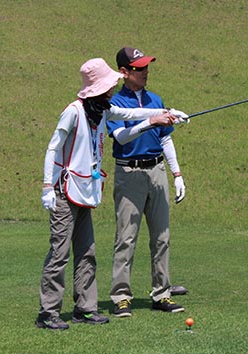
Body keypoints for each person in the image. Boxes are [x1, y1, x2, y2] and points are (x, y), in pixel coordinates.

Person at [36, 58, 186, 330]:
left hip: (84, 192)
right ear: (96, 89)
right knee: (59, 254)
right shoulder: (73, 111)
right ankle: (48, 312)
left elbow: (130, 115)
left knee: (87, 253)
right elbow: (52, 148)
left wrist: (167, 112)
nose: (110, 91)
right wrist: (47, 186)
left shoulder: (101, 111)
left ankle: (85, 308)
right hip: (62, 191)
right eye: (107, 87)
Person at [106, 47, 189, 318]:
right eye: (139, 68)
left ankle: (161, 294)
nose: (145, 72)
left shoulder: (156, 99)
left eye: (146, 67)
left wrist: (176, 174)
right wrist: (151, 120)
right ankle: (121, 296)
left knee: (162, 237)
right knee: (126, 238)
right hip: (129, 173)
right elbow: (120, 137)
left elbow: (165, 138)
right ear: (124, 72)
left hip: (156, 172)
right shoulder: (114, 103)